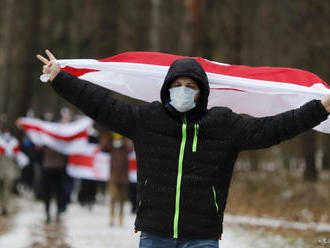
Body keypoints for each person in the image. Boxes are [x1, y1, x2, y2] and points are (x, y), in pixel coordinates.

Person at [37, 50, 330, 248]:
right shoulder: (147, 120)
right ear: (166, 89)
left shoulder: (223, 125)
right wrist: (61, 78)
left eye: (191, 85)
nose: (183, 90)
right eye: (177, 84)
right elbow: (102, 105)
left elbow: (274, 129)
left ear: (201, 92)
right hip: (154, 233)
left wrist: (321, 108)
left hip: (202, 236)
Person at [101, 132, 132, 226]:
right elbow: (103, 147)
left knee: (122, 199)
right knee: (113, 198)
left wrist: (125, 137)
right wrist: (109, 135)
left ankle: (120, 219)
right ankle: (112, 218)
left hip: (123, 177)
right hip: (113, 177)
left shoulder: (125, 147)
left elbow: (130, 148)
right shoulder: (111, 146)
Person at [0, 126, 20, 216]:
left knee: (7, 188)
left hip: (9, 169)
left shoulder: (14, 142)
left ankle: (5, 207)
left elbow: (16, 156)